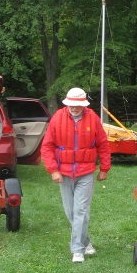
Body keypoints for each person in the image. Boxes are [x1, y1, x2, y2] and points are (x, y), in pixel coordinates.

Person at [41, 87, 111, 263]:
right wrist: (53, 170)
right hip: (63, 173)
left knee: (81, 210)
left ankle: (77, 250)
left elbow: (103, 145)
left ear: (84, 105)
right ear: (67, 103)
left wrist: (104, 168)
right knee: (71, 212)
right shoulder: (57, 118)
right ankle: (86, 242)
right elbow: (47, 146)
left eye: (78, 105)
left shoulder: (93, 119)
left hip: (85, 172)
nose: (75, 108)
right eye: (72, 104)